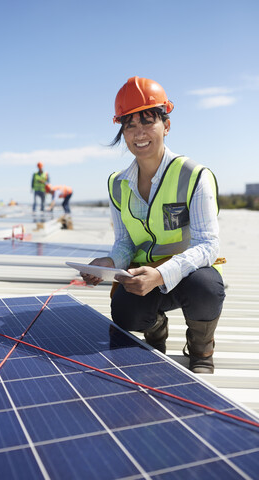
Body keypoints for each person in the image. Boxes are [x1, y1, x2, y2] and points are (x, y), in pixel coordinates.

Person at [82, 76, 226, 374]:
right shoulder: (117, 184)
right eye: (129, 125)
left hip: (188, 274)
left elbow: (209, 245)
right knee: (122, 310)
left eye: (147, 121)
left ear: (166, 125)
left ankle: (201, 347)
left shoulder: (194, 176)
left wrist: (161, 274)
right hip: (142, 276)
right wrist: (109, 263)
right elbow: (125, 242)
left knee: (207, 287)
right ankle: (156, 332)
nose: (139, 133)